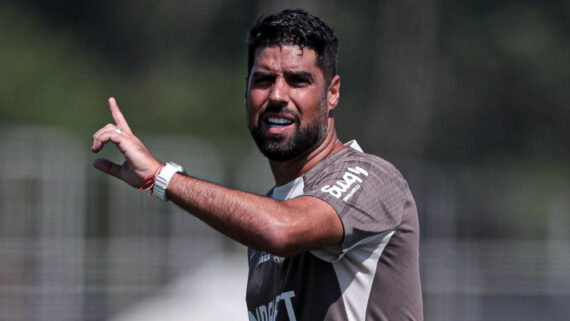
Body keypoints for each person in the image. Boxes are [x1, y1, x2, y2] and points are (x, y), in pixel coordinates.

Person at [91, 8, 423, 321]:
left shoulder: (371, 178)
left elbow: (281, 229)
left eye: (297, 80)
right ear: (246, 89)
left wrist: (162, 178)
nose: (277, 95)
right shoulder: (267, 217)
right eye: (263, 80)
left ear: (332, 93)